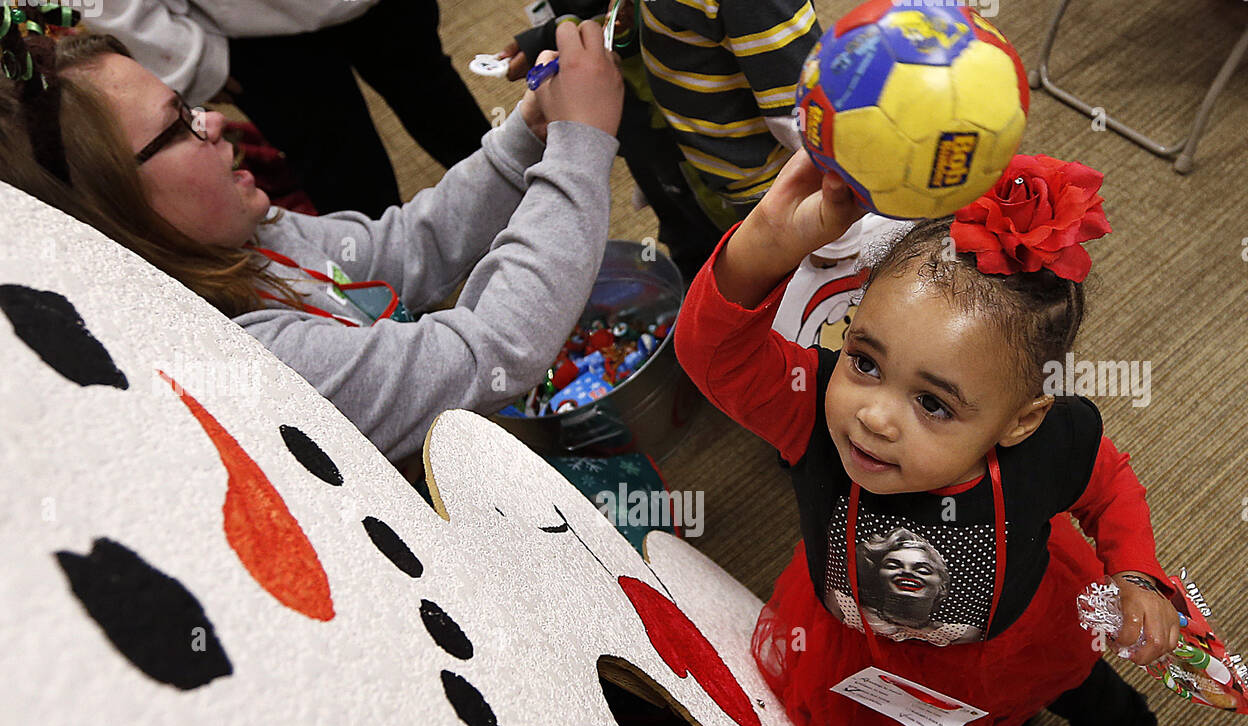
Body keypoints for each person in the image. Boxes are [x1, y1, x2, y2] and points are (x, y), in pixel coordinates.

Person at [672, 148, 1183, 726]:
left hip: (1021, 631)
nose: (875, 416)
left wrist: (1133, 572)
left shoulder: (1047, 446)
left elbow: (1111, 486)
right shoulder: (812, 411)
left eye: (934, 404)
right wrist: (767, 245)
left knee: (1070, 683)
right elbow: (713, 355)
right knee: (960, 719)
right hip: (872, 644)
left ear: (1019, 419)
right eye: (865, 361)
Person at [0, 18, 623, 468]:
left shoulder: (248, 229)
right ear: (118, 211)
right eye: (178, 124)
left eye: (192, 105)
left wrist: (527, 134)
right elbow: (491, 352)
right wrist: (580, 147)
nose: (213, 120)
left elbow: (403, 247)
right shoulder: (255, 360)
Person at [500, 0, 820, 281]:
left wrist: (831, 222)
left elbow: (808, 109)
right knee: (698, 254)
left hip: (761, 190)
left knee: (772, 288)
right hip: (685, 154)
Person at [85, 0, 490, 218]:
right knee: (346, 177)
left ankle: (528, 205)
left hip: (384, 8)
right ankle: (396, 317)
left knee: (439, 100)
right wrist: (186, 54)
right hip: (251, 34)